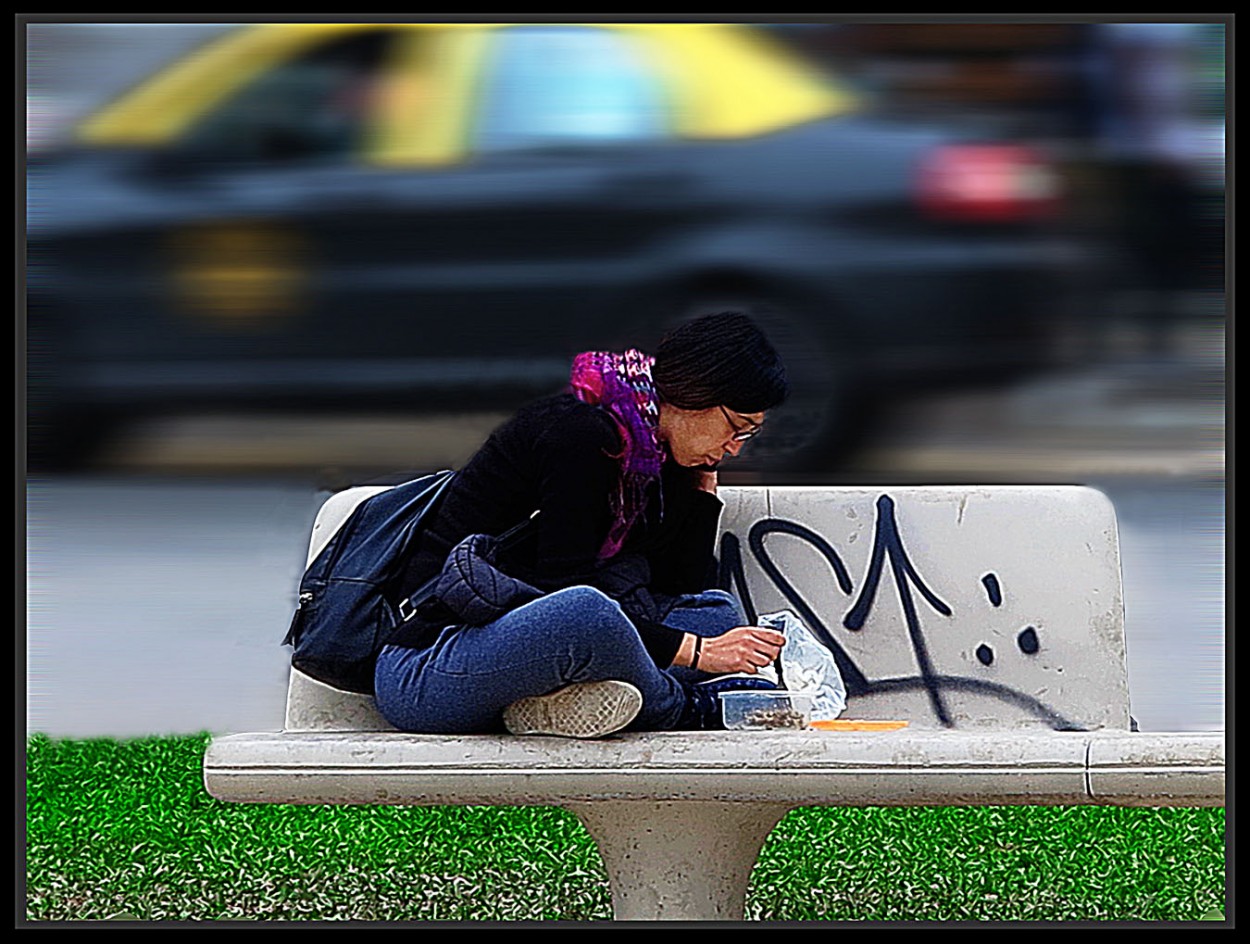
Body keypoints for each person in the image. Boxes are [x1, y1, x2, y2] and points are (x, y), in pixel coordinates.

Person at [373, 312, 790, 737]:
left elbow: (677, 589)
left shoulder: (659, 454)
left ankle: (545, 710)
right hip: (434, 664)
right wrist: (699, 654)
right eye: (737, 428)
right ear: (695, 392)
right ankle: (682, 708)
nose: (735, 449)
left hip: (545, 657)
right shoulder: (581, 433)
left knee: (716, 614)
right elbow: (561, 591)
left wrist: (701, 490)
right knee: (587, 612)